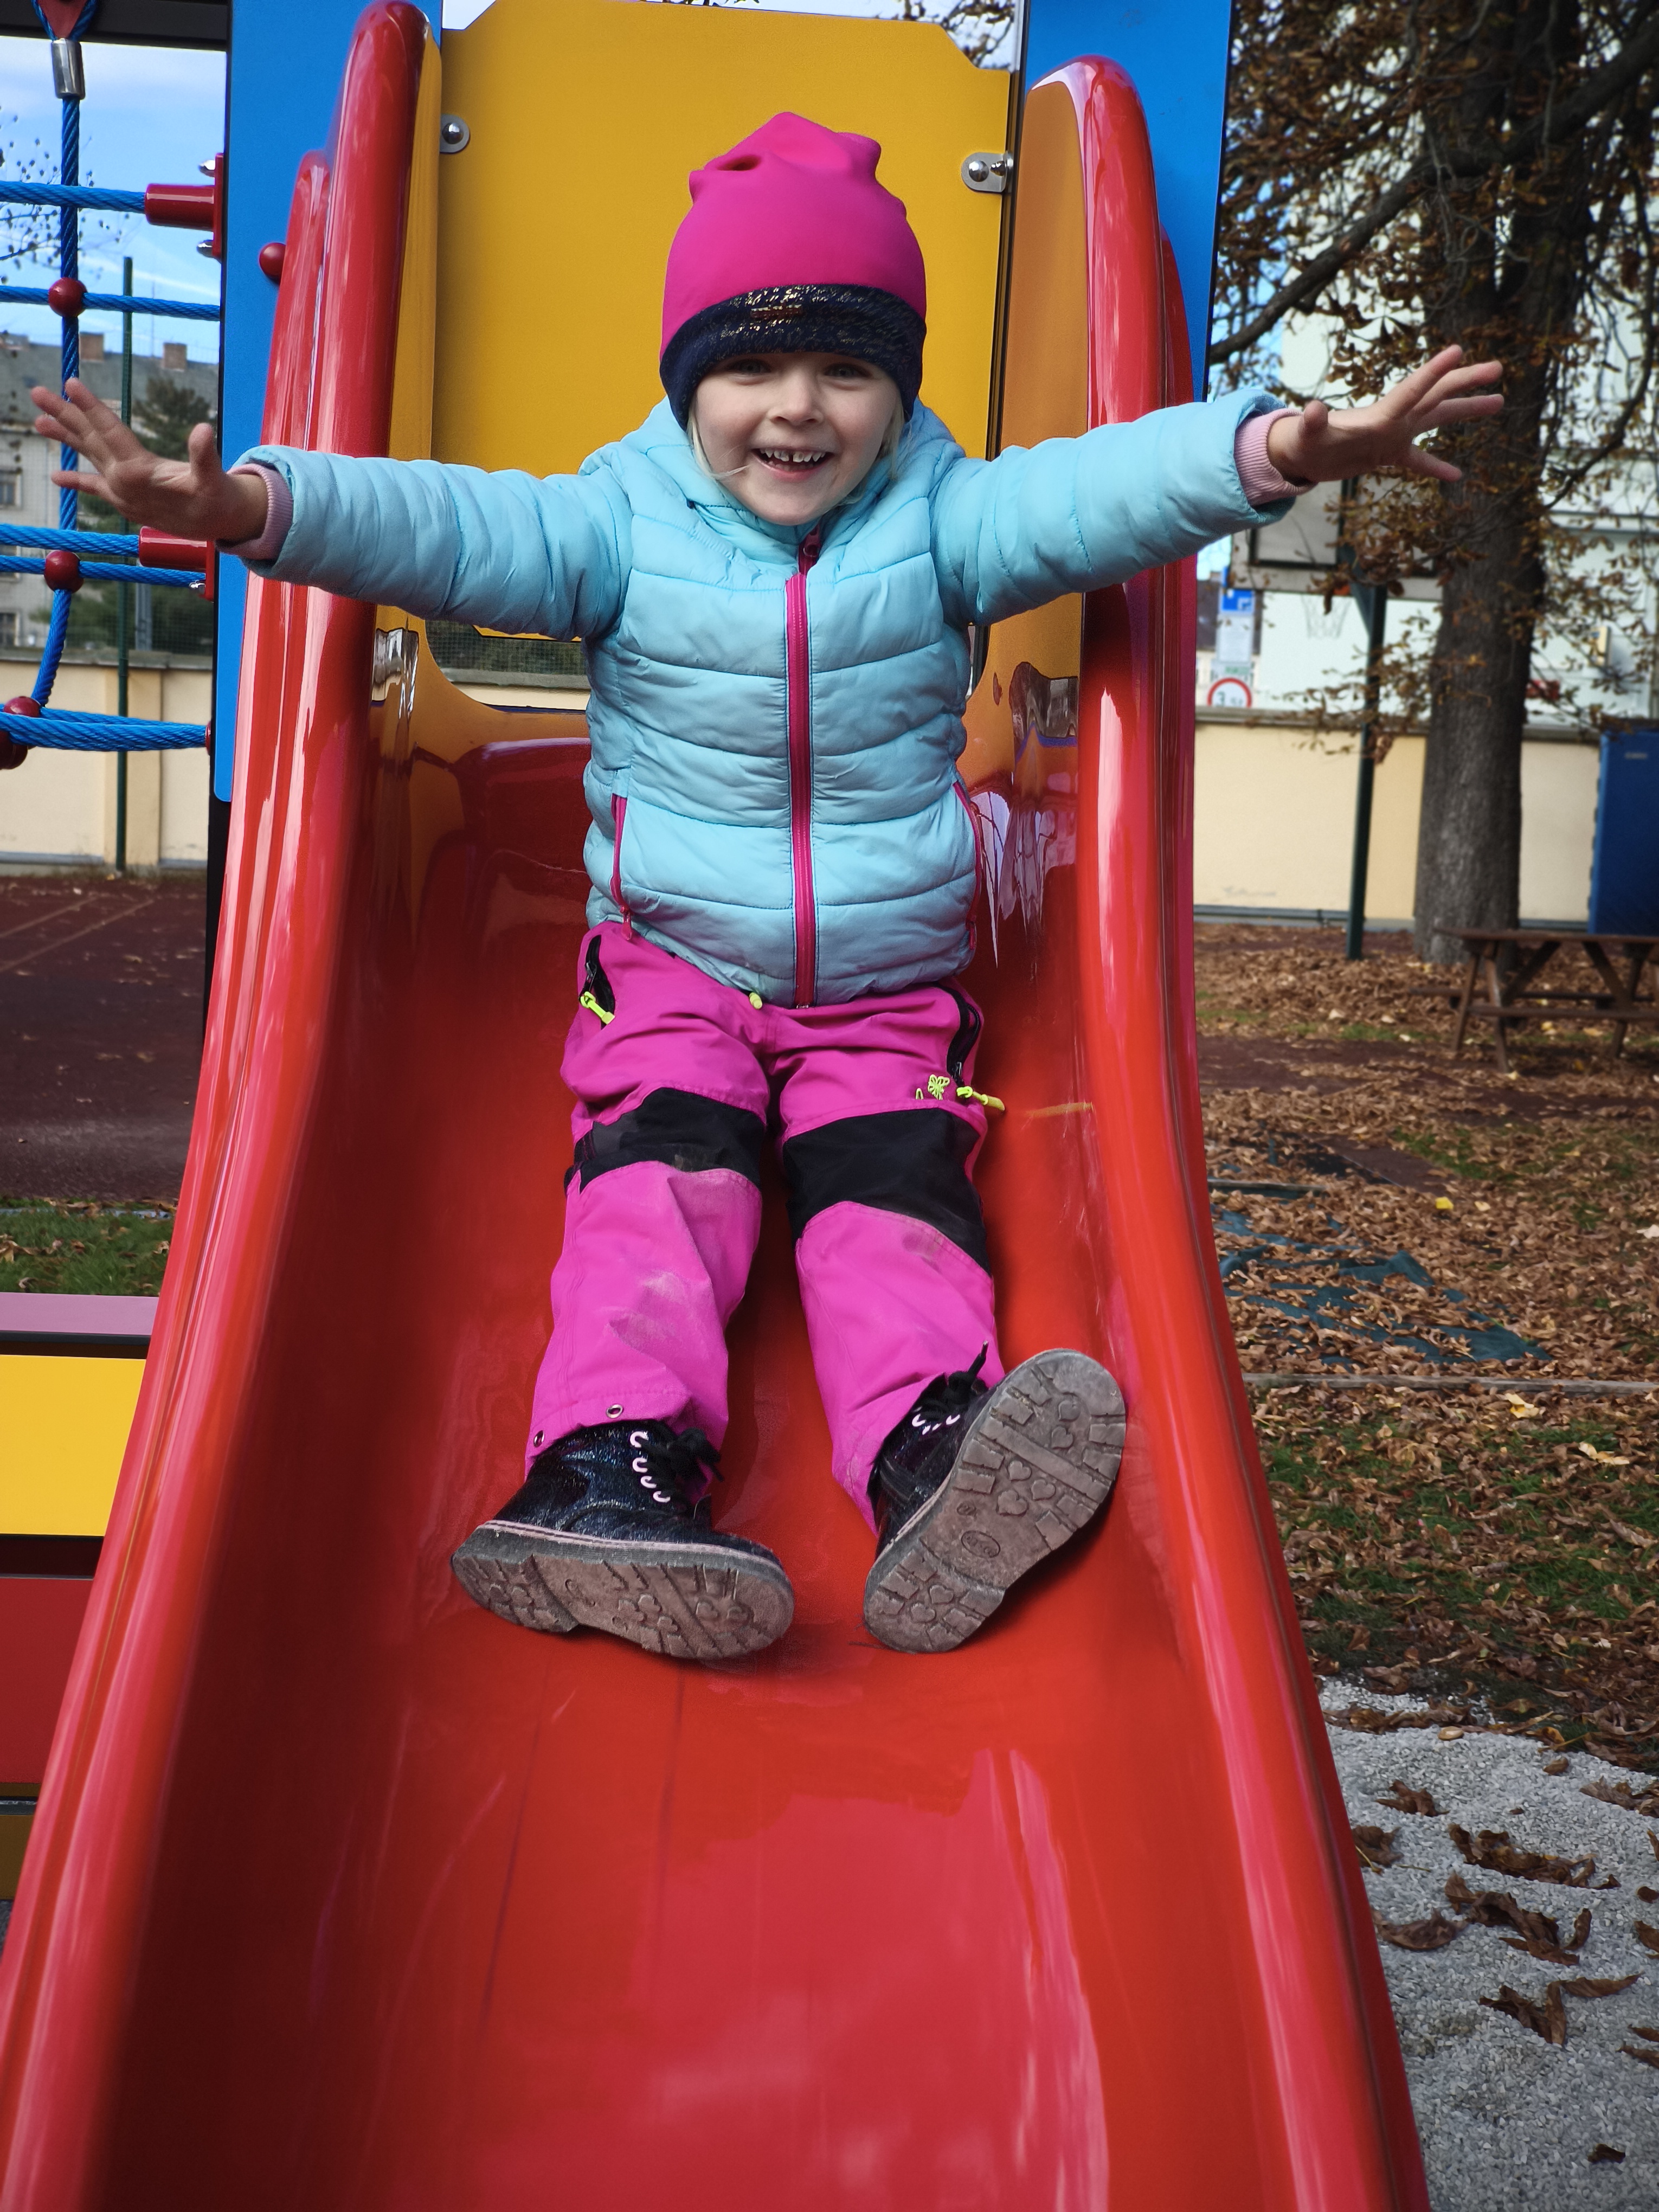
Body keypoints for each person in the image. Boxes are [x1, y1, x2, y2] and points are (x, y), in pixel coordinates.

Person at [34, 113, 1501, 1665]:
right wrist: (250, 510)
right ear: (688, 385)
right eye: (750, 368)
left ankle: (931, 1453)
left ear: (899, 390)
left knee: (895, 1203)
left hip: (883, 984)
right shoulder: (614, 523)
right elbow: (446, 526)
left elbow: (1097, 492)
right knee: (662, 1185)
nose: (798, 408)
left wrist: (1280, 452)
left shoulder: (944, 520)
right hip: (674, 964)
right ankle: (606, 1466)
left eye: (848, 369)